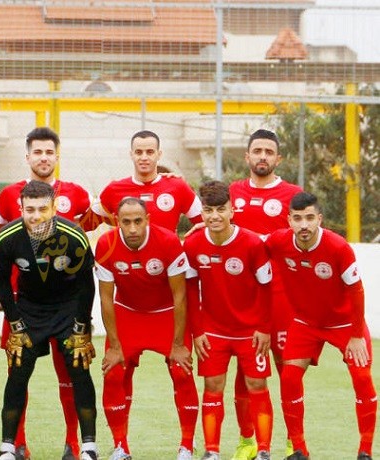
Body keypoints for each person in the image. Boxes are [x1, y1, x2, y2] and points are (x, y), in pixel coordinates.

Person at [0, 127, 92, 460]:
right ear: (27, 156)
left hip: (65, 303)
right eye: (38, 152)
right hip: (23, 304)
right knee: (18, 374)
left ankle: (74, 444)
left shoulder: (77, 194)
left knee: (71, 374)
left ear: (57, 156)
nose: (44, 158)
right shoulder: (8, 195)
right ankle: (17, 444)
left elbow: (93, 228)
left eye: (49, 152)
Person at [265, 192, 377, 460]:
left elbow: (357, 290)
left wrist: (356, 336)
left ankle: (365, 451)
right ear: (289, 220)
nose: (304, 225)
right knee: (289, 379)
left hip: (345, 324)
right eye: (297, 218)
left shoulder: (338, 247)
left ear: (320, 219)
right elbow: (248, 244)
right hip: (306, 323)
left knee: (362, 378)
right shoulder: (278, 241)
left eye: (309, 218)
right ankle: (300, 450)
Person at [95, 197, 198, 460]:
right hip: (128, 313)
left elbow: (180, 296)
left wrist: (178, 344)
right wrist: (114, 346)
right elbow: (106, 298)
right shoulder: (106, 244)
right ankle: (120, 447)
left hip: (166, 314)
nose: (132, 228)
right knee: (113, 373)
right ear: (117, 222)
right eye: (126, 222)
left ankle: (187, 446)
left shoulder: (168, 242)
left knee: (182, 371)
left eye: (138, 221)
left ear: (148, 220)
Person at [183, 181, 273, 460]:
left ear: (232, 210)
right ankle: (212, 451)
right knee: (213, 387)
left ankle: (264, 450)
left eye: (221, 209)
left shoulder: (252, 243)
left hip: (250, 331)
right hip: (213, 331)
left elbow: (267, 288)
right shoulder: (193, 244)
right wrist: (197, 331)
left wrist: (264, 328)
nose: (215, 216)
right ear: (202, 213)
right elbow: (190, 291)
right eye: (208, 210)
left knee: (257, 386)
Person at [228, 129, 302, 460]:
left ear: (278, 158)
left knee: (289, 371)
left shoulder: (293, 194)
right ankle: (247, 441)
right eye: (257, 150)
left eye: (269, 152)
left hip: (283, 297)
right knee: (245, 373)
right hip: (245, 299)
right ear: (247, 156)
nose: (262, 156)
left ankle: (294, 441)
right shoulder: (233, 192)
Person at [90, 130, 203, 231]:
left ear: (159, 154)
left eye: (150, 152)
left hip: (168, 249)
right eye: (138, 152)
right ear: (131, 155)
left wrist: (189, 243)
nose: (144, 158)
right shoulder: (114, 189)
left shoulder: (178, 186)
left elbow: (205, 224)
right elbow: (86, 224)